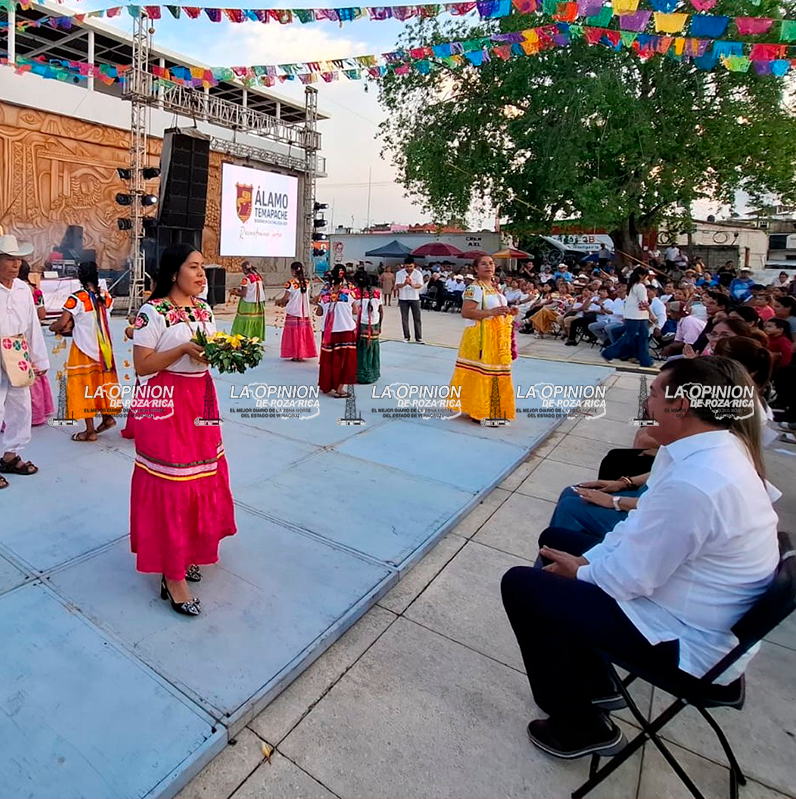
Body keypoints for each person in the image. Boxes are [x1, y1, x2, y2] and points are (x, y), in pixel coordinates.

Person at [501, 357, 779, 759]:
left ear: (681, 407)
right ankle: (594, 682)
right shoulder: (701, 449)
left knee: (523, 586)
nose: (646, 404)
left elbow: (630, 580)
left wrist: (582, 574)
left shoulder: (698, 483)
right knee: (555, 541)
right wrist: (586, 566)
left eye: (652, 394)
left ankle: (579, 725)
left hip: (685, 641)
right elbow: (634, 534)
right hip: (684, 606)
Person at [130, 243, 236, 616]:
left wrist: (222, 353)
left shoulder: (205, 309)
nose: (201, 273)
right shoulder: (152, 311)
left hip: (201, 399)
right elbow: (143, 366)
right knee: (172, 484)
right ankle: (171, 575)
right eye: (194, 267)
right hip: (165, 401)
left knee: (200, 479)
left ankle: (187, 550)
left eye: (203, 267)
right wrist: (182, 350)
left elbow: (206, 353)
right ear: (175, 272)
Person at [48, 261, 120, 442]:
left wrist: (52, 327)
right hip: (104, 351)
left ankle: (90, 431)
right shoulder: (106, 296)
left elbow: (62, 323)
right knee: (101, 386)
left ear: (80, 277)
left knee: (85, 386)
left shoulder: (77, 298)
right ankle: (107, 417)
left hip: (84, 350)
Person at [0, 235, 49, 488]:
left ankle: (10, 455)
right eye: (9, 259)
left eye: (18, 259)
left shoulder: (22, 290)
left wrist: (38, 359)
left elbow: (33, 326)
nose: (15, 264)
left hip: (17, 353)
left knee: (20, 407)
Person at [448, 255, 518, 423]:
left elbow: (497, 309)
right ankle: (477, 409)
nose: (488, 266)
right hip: (479, 337)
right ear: (476, 269)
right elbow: (466, 312)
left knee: (495, 372)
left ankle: (494, 407)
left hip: (495, 337)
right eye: (484, 264)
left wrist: (508, 311)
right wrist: (492, 313)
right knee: (482, 372)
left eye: (491, 263)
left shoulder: (495, 288)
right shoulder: (475, 288)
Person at [18, 260, 55, 426]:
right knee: (35, 372)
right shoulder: (36, 291)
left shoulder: (21, 290)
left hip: (19, 337)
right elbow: (42, 314)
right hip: (32, 335)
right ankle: (38, 411)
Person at [315, 264, 358, 398]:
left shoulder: (325, 295)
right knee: (345, 361)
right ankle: (339, 389)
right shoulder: (348, 293)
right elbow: (355, 310)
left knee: (329, 359)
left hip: (329, 332)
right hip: (345, 330)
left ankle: (327, 385)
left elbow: (319, 312)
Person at [602, 267, 652, 367]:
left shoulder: (633, 286)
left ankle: (645, 360)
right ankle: (608, 353)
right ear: (641, 276)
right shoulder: (640, 286)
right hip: (636, 316)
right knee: (630, 336)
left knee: (643, 336)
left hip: (638, 315)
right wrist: (652, 314)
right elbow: (644, 303)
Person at [276, 261, 317, 362]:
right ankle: (302, 353)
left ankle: (295, 354)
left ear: (293, 271)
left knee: (294, 334)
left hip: (294, 311)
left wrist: (279, 302)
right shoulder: (306, 283)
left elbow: (285, 298)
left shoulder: (290, 283)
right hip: (304, 312)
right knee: (302, 333)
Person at [354, 269, 383, 384]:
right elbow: (381, 311)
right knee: (372, 348)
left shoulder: (354, 293)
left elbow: (353, 311)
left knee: (361, 349)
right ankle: (373, 373)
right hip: (374, 324)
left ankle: (361, 374)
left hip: (361, 324)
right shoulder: (376, 293)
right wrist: (380, 326)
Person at [230, 260, 265, 341]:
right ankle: (254, 338)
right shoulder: (258, 277)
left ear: (244, 269)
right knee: (255, 320)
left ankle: (244, 338)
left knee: (244, 320)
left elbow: (244, 294)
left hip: (248, 304)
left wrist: (234, 292)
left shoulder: (245, 279)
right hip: (258, 303)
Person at [395, 257, 424, 342]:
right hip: (403, 298)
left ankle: (418, 337)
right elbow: (397, 285)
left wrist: (411, 284)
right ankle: (406, 336)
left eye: (410, 266)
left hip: (414, 298)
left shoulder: (418, 273)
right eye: (407, 266)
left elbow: (419, 285)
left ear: (414, 265)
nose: (409, 268)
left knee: (417, 318)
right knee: (404, 318)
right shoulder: (400, 273)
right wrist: (404, 283)